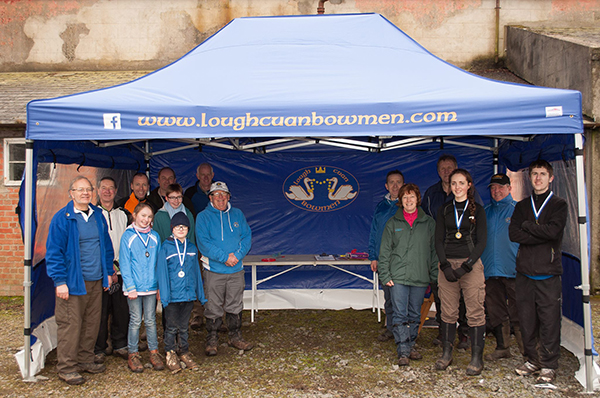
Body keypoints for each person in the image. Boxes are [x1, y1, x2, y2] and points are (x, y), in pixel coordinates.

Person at [46, 176, 114, 385]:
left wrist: (108, 271)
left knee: (92, 323)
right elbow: (54, 252)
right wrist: (60, 281)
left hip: (96, 280)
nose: (85, 193)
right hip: (74, 282)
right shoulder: (62, 218)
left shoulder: (97, 216)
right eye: (80, 189)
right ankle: (67, 367)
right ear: (71, 193)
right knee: (70, 325)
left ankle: (85, 359)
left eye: (88, 189)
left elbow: (106, 246)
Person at [509, 160, 567, 384]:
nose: (538, 178)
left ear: (550, 178)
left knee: (550, 320)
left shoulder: (558, 204)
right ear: (530, 177)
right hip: (525, 273)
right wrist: (538, 232)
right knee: (526, 319)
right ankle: (532, 359)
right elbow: (514, 233)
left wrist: (529, 227)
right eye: (534, 174)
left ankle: (549, 365)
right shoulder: (522, 205)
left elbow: (553, 232)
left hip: (548, 273)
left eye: (542, 174)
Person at [422, 154, 482, 349]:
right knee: (441, 294)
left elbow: (479, 225)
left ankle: (464, 334)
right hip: (439, 254)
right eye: (443, 168)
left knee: (466, 296)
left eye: (450, 168)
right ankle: (444, 331)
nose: (446, 172)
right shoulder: (431, 193)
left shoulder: (472, 196)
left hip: (465, 254)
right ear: (438, 171)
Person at [434, 169, 487, 376]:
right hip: (447, 264)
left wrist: (467, 265)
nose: (457, 187)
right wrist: (445, 265)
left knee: (474, 311)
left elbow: (482, 241)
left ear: (469, 185)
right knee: (447, 311)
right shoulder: (444, 209)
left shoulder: (479, 210)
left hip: (470, 266)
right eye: (454, 183)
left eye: (461, 183)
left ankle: (476, 358)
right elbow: (438, 239)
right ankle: (447, 353)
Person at [378, 183, 438, 366]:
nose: (409, 200)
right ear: (400, 201)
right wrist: (385, 274)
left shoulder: (428, 223)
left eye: (412, 197)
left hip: (420, 276)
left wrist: (434, 276)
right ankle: (403, 350)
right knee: (399, 314)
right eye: (405, 197)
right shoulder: (392, 223)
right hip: (398, 277)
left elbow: (434, 252)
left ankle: (411, 345)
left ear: (417, 199)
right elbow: (385, 252)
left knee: (414, 314)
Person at [196, 181, 252, 356]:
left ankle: (235, 336)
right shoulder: (203, 217)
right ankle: (212, 339)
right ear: (210, 198)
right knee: (213, 305)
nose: (220, 198)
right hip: (214, 270)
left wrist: (237, 256)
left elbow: (247, 237)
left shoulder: (238, 214)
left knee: (235, 304)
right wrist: (224, 257)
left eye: (223, 194)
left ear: (228, 197)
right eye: (216, 195)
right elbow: (203, 243)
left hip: (236, 269)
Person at [156, 212, 207, 373]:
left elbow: (196, 273)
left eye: (184, 227)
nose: (181, 229)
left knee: (184, 326)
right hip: (172, 296)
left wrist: (200, 294)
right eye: (178, 227)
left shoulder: (192, 248)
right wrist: (164, 296)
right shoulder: (166, 247)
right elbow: (162, 274)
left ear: (188, 229)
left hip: (187, 294)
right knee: (171, 327)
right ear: (172, 228)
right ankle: (170, 353)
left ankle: (184, 351)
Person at [480, 173, 523, 362]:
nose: (496, 191)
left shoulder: (519, 211)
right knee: (496, 310)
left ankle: (526, 351)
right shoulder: (485, 211)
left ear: (509, 188)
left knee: (519, 311)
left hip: (513, 269)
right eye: (493, 188)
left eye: (500, 187)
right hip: (490, 270)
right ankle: (502, 346)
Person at [119, 202, 164, 373]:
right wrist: (130, 286)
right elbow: (124, 262)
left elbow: (158, 263)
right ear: (135, 215)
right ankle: (133, 353)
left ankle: (154, 352)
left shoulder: (155, 237)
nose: (146, 219)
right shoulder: (128, 236)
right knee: (136, 320)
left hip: (151, 287)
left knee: (151, 320)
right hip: (135, 288)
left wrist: (159, 286)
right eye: (143, 215)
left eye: (149, 217)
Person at [94, 177, 130, 363]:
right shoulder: (92, 214)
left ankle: (120, 344)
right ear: (98, 191)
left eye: (111, 188)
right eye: (104, 188)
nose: (107, 192)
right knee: (100, 311)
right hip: (100, 270)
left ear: (116, 191)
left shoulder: (123, 214)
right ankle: (99, 347)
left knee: (121, 309)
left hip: (121, 269)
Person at [368, 170, 404, 341]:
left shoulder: (407, 204)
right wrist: (373, 256)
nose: (395, 186)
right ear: (386, 186)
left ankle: (403, 330)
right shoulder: (381, 207)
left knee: (402, 296)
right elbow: (374, 232)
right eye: (392, 182)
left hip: (402, 260)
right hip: (384, 259)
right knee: (389, 296)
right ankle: (390, 328)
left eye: (398, 182)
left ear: (403, 185)